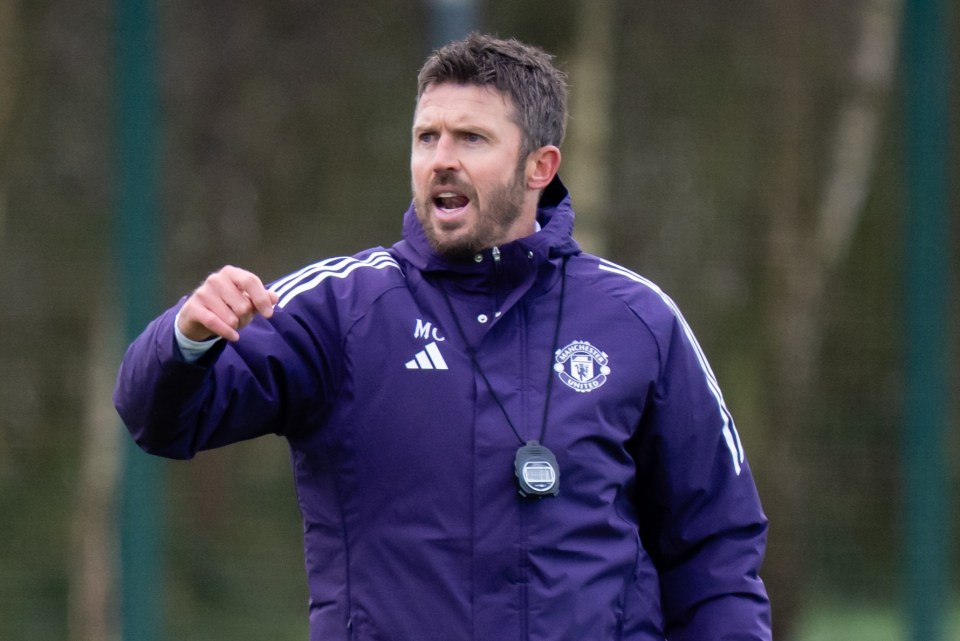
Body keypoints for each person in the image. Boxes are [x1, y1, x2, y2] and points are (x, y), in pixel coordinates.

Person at [114, 33, 771, 641]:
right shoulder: (341, 309)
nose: (441, 160)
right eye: (426, 137)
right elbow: (160, 419)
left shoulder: (639, 319)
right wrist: (186, 337)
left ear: (540, 166)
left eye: (471, 139)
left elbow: (715, 545)